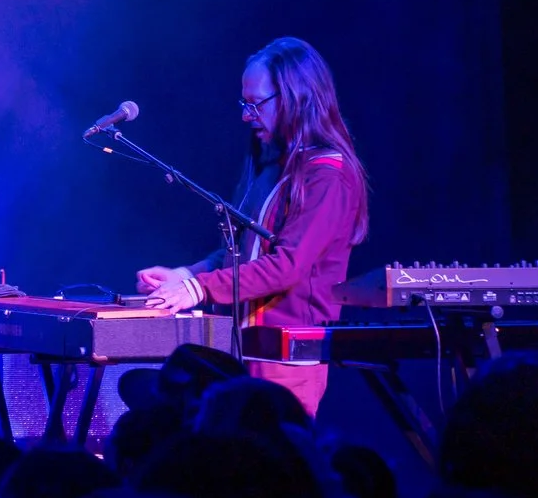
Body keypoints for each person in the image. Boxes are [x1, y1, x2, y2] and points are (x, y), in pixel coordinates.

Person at [135, 37, 369, 418]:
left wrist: (199, 288)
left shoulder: (327, 174)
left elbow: (287, 264)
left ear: (296, 97)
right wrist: (186, 275)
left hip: (286, 360)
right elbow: (241, 252)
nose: (246, 116)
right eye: (244, 104)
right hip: (244, 352)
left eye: (256, 104)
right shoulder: (272, 166)